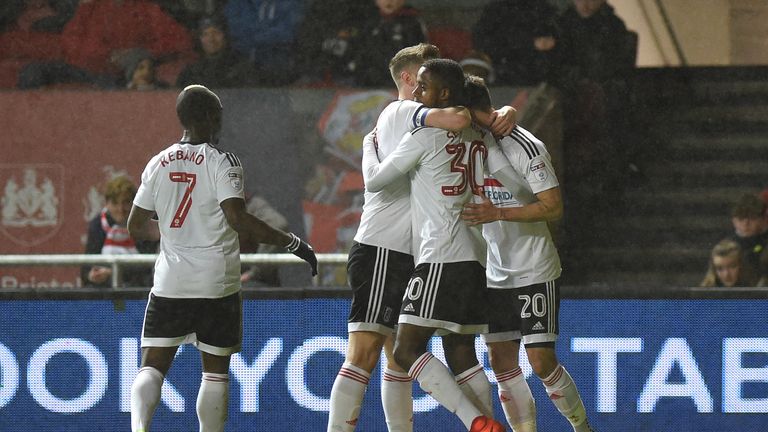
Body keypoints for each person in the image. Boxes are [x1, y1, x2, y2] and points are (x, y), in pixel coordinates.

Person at [327, 44, 517, 432]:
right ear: (411, 79)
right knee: (365, 352)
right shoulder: (402, 112)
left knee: (398, 359)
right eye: (423, 78)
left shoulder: (417, 126)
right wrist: (495, 115)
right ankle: (474, 420)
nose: (421, 89)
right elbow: (457, 115)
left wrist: (501, 114)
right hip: (385, 245)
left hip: (418, 250)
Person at [127, 84, 317, 432]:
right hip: (216, 282)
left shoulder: (158, 162)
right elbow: (238, 218)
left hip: (170, 280)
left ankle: (140, 428)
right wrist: (291, 242)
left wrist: (172, 232)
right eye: (219, 114)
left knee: (152, 366)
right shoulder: (223, 161)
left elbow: (136, 224)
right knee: (214, 372)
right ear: (211, 118)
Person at [460, 75, 594, 432]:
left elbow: (552, 207)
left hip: (533, 267)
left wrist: (498, 212)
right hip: (492, 271)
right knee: (501, 361)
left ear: (469, 110)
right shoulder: (466, 143)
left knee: (540, 360)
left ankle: (582, 428)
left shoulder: (525, 145)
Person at [17, 0, 193, 89]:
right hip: (84, 69)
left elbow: (180, 40)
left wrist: (140, 54)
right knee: (33, 71)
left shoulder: (147, 10)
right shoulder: (90, 8)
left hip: (122, 75)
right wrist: (107, 56)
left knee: (112, 84)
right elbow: (70, 42)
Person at [81, 176, 156, 288]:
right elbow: (86, 267)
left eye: (126, 203)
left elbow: (148, 267)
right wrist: (92, 276)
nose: (120, 209)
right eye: (115, 203)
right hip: (105, 297)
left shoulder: (145, 223)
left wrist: (116, 272)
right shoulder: (98, 226)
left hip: (138, 294)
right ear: (106, 203)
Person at [471, 0, 559, 86]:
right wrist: (531, 43)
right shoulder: (495, 14)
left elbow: (551, 17)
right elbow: (492, 44)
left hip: (547, 62)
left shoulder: (534, 7)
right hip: (520, 70)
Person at [223, 0, 306, 86]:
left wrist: (253, 37)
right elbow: (234, 30)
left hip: (283, 69)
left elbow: (288, 33)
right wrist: (267, 33)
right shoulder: (238, 3)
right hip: (241, 65)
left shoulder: (293, 3)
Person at [351, 0, 428, 87]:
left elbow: (419, 53)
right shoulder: (366, 20)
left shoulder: (412, 21)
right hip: (368, 80)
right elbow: (359, 50)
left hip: (401, 80)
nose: (389, 1)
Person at [175, 15, 254, 89]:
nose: (211, 39)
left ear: (226, 36)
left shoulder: (241, 69)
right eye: (205, 34)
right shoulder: (191, 73)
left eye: (216, 33)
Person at [727, 192, 768, 281]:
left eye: (752, 218)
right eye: (741, 219)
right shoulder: (727, 245)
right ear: (733, 221)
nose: (746, 224)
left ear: (764, 219)